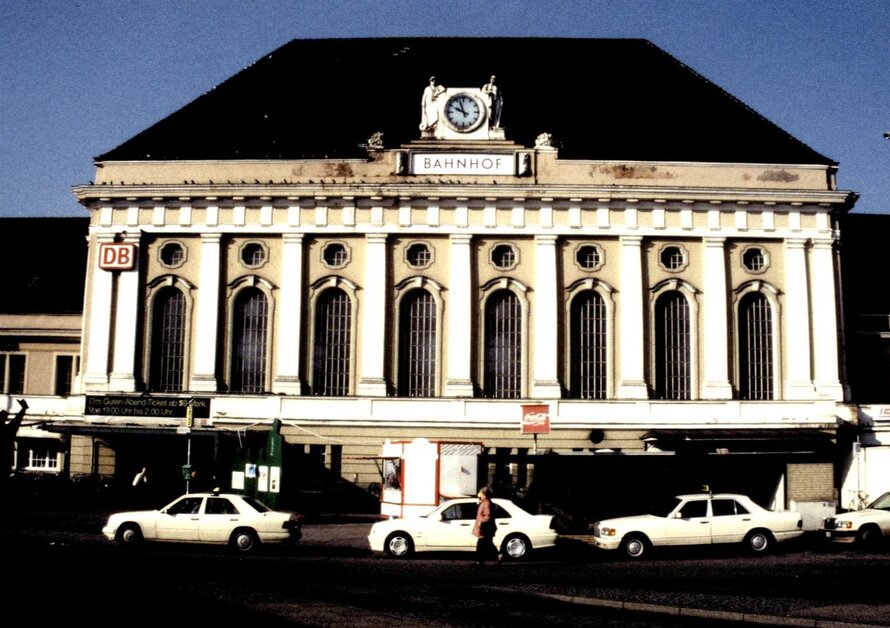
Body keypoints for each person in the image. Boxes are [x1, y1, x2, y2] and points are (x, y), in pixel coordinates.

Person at [471, 486, 499, 565]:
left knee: (481, 544)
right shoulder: (485, 502)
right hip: (486, 527)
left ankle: (479, 561)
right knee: (486, 543)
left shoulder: (486, 503)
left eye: (481, 494)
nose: (480, 495)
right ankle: (481, 560)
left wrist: (481, 522)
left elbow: (487, 516)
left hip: (485, 527)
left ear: (485, 494)